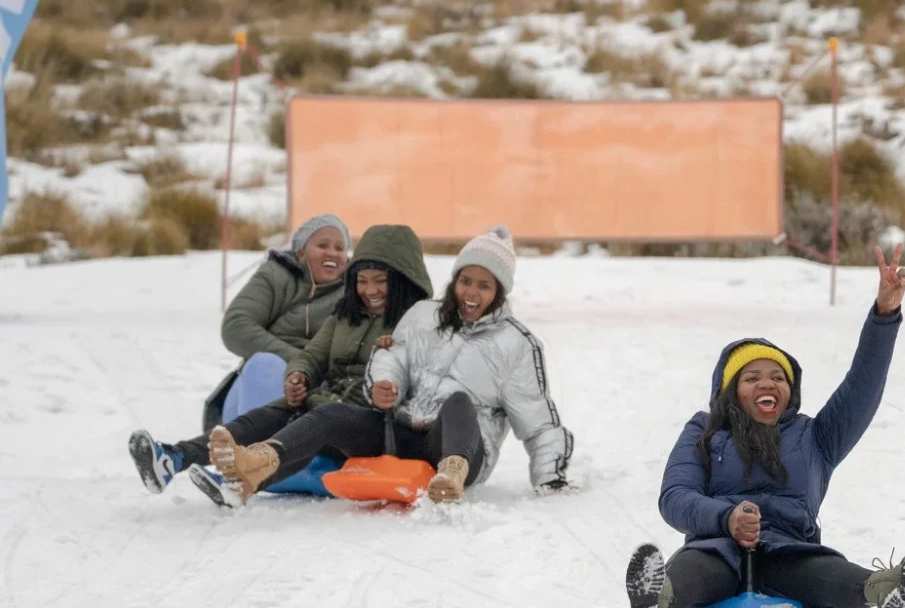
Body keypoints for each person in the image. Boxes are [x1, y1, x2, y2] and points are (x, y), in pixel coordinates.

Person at [646, 244, 905, 608]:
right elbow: (675, 497)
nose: (767, 384)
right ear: (729, 391)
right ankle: (659, 599)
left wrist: (885, 314)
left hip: (792, 552)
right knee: (688, 576)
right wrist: (726, 518)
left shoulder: (816, 436)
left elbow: (862, 387)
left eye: (778, 377)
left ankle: (881, 592)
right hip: (714, 548)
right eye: (751, 377)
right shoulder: (705, 431)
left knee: (834, 575)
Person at [128, 224, 434, 506]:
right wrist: (299, 374)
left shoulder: (419, 323)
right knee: (263, 417)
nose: (370, 291)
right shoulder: (346, 315)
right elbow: (313, 355)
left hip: (375, 422)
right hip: (328, 406)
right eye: (362, 281)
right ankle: (173, 459)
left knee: (324, 415)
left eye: (381, 282)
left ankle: (245, 478)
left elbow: (429, 378)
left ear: (403, 280)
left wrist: (392, 383)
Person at [364, 223, 575, 503]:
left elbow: (536, 419)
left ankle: (452, 472)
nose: (471, 293)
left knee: (458, 402)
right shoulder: (423, 315)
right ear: (455, 282)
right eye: (465, 281)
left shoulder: (516, 344)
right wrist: (385, 383)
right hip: (408, 440)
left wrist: (550, 476)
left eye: (484, 285)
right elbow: (394, 358)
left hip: (469, 453)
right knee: (332, 416)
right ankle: (284, 455)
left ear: (499, 292)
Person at [203, 214, 352, 431]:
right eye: (322, 245)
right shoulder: (276, 275)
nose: (332, 253)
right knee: (265, 365)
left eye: (340, 248)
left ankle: (307, 461)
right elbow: (236, 326)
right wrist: (301, 362)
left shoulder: (354, 291)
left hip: (318, 395)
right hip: (254, 395)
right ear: (301, 252)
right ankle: (254, 456)